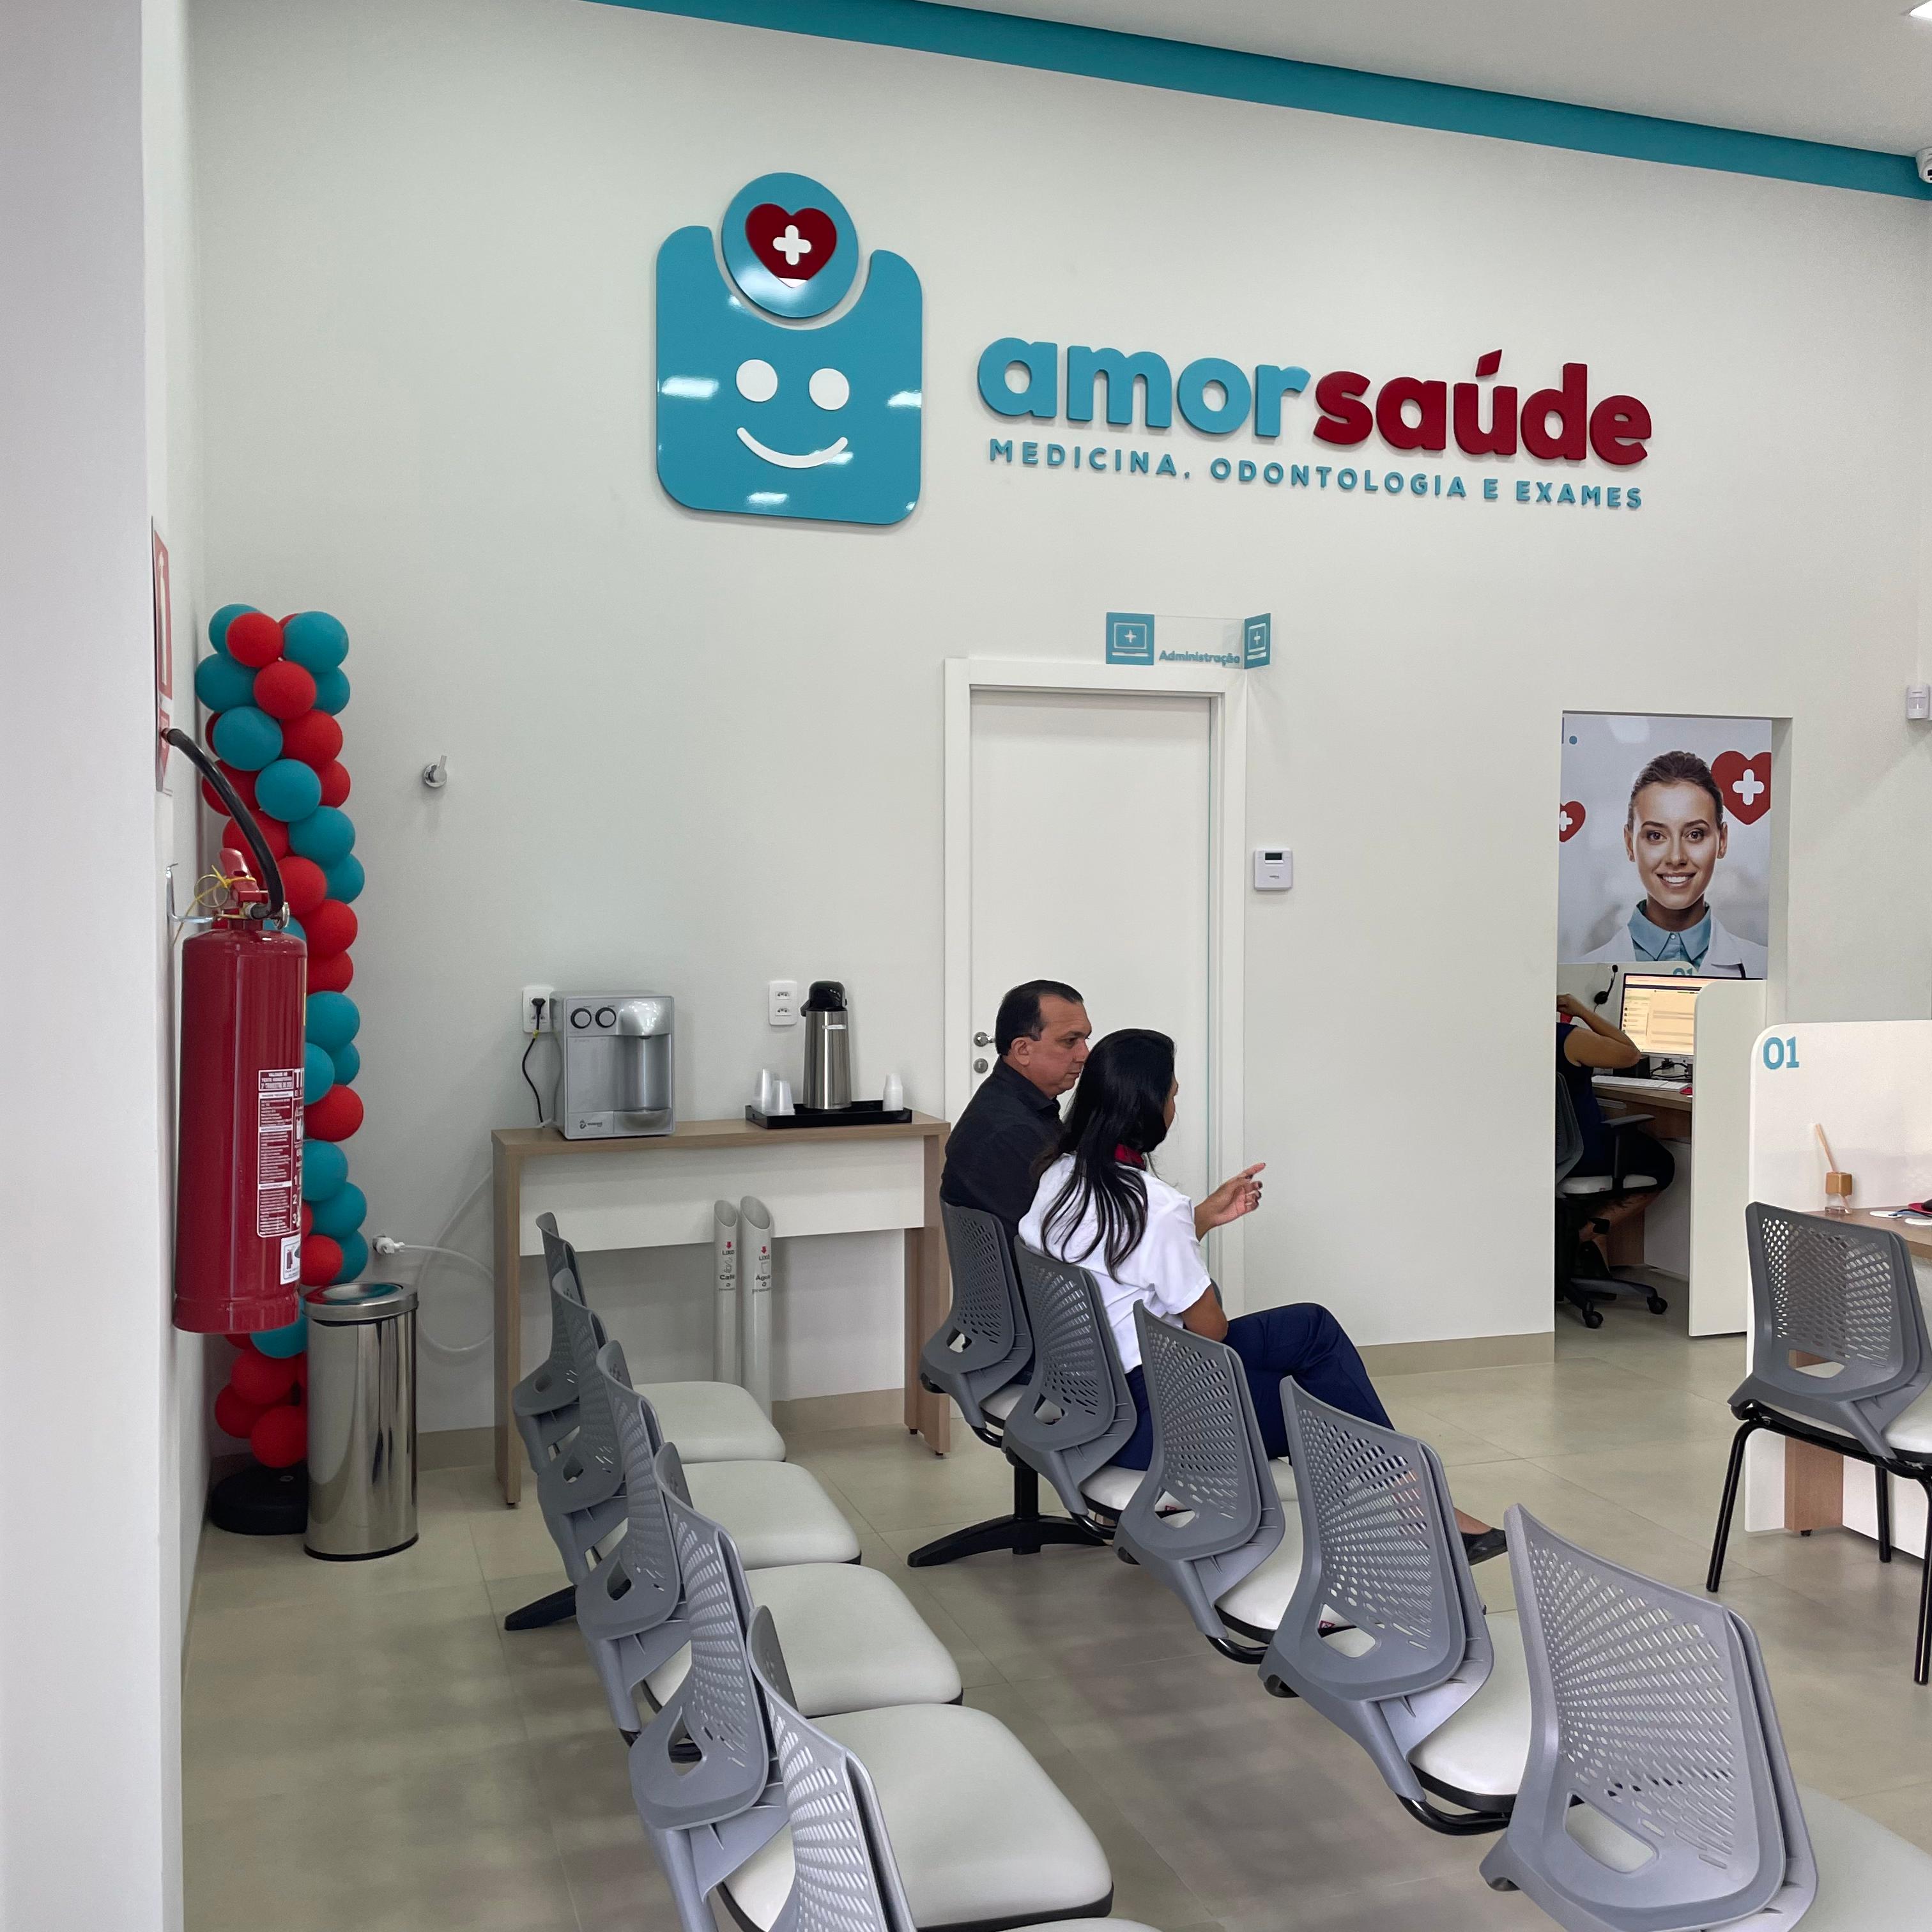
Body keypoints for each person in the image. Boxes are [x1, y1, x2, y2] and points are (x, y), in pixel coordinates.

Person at [1019, 1028, 1503, 1561]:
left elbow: (1121, 1261)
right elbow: (1210, 1330)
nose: (1175, 1106)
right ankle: (1415, 1512)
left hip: (1093, 1399)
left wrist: (1201, 1218)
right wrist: (1188, 1239)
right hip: (1153, 1421)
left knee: (1312, 1327)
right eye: (1173, 1095)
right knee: (1316, 1400)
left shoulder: (1059, 1176)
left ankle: (1406, 1501)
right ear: (1148, 1108)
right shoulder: (1154, 1207)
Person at [941, 979, 1262, 1246]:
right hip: (1049, 1300)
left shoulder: (1013, 1104)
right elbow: (1100, 1254)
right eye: (1070, 1041)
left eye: (1086, 1039)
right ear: (1023, 1049)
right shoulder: (1011, 1131)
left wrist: (1202, 1216)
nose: (1084, 1054)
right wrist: (1196, 1221)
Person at [1579, 750, 1766, 975]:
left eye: (1695, 834)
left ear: (1722, 841)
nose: (1676, 857)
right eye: (1656, 836)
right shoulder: (1580, 975)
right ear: (1629, 843)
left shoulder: (1766, 969)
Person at [1557, 990, 1676, 1234]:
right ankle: (1585, 1235)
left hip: (1540, 1154)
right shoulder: (1566, 1039)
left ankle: (1592, 1241)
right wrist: (1582, 1012)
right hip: (1580, 1155)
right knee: (1662, 1163)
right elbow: (1632, 1055)